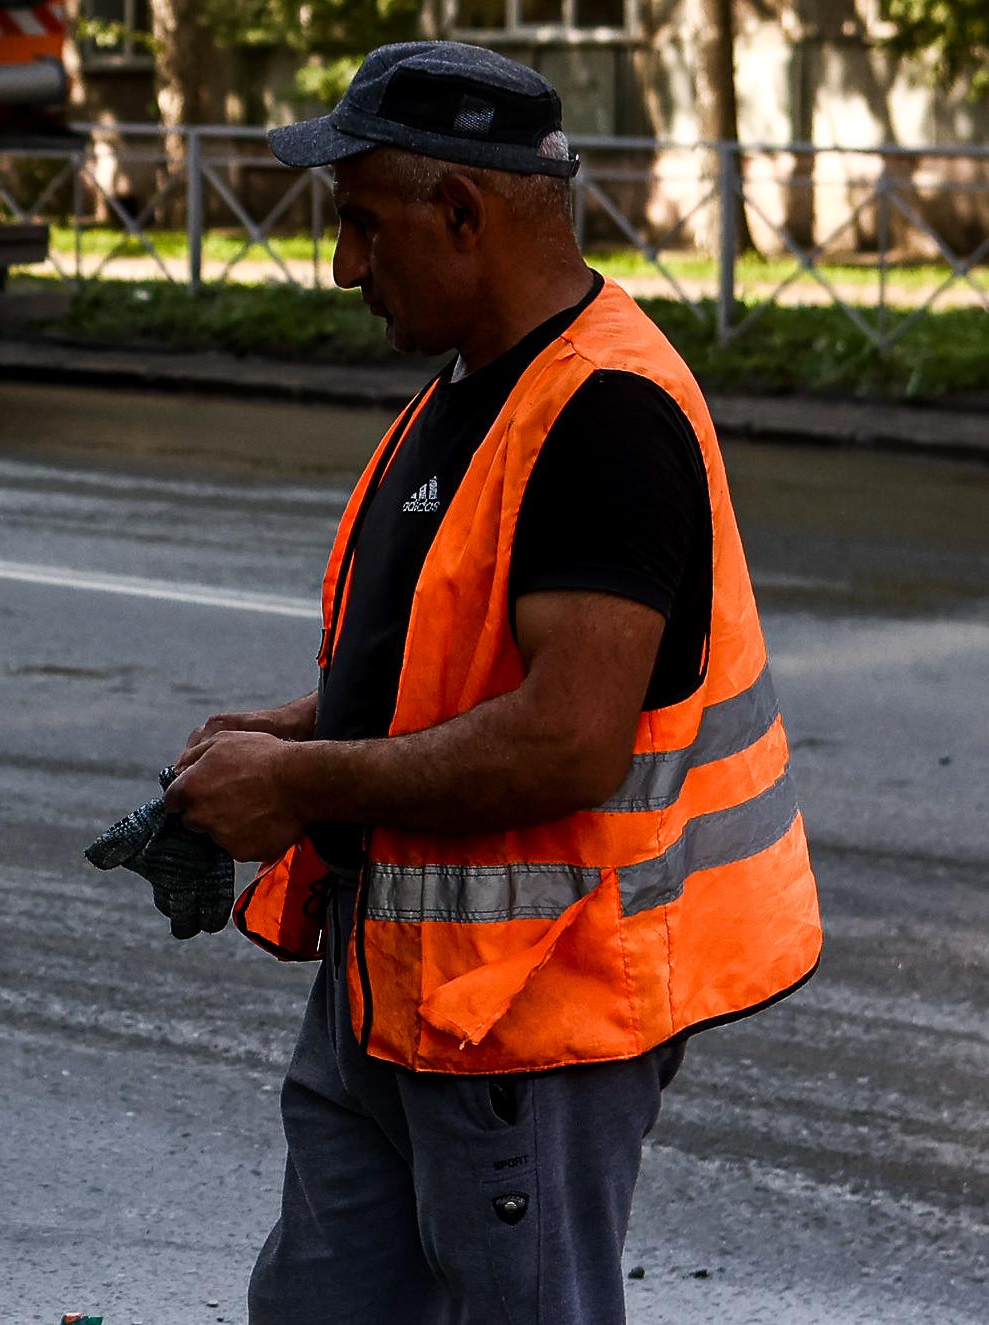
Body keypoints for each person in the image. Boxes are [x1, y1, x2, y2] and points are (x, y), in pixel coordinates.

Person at [159, 41, 825, 1324]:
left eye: (361, 224)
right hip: (396, 996)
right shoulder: (472, 388)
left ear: (460, 212)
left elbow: (565, 741)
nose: (344, 265)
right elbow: (460, 665)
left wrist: (299, 779)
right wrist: (302, 724)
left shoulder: (605, 415)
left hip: (529, 1018)